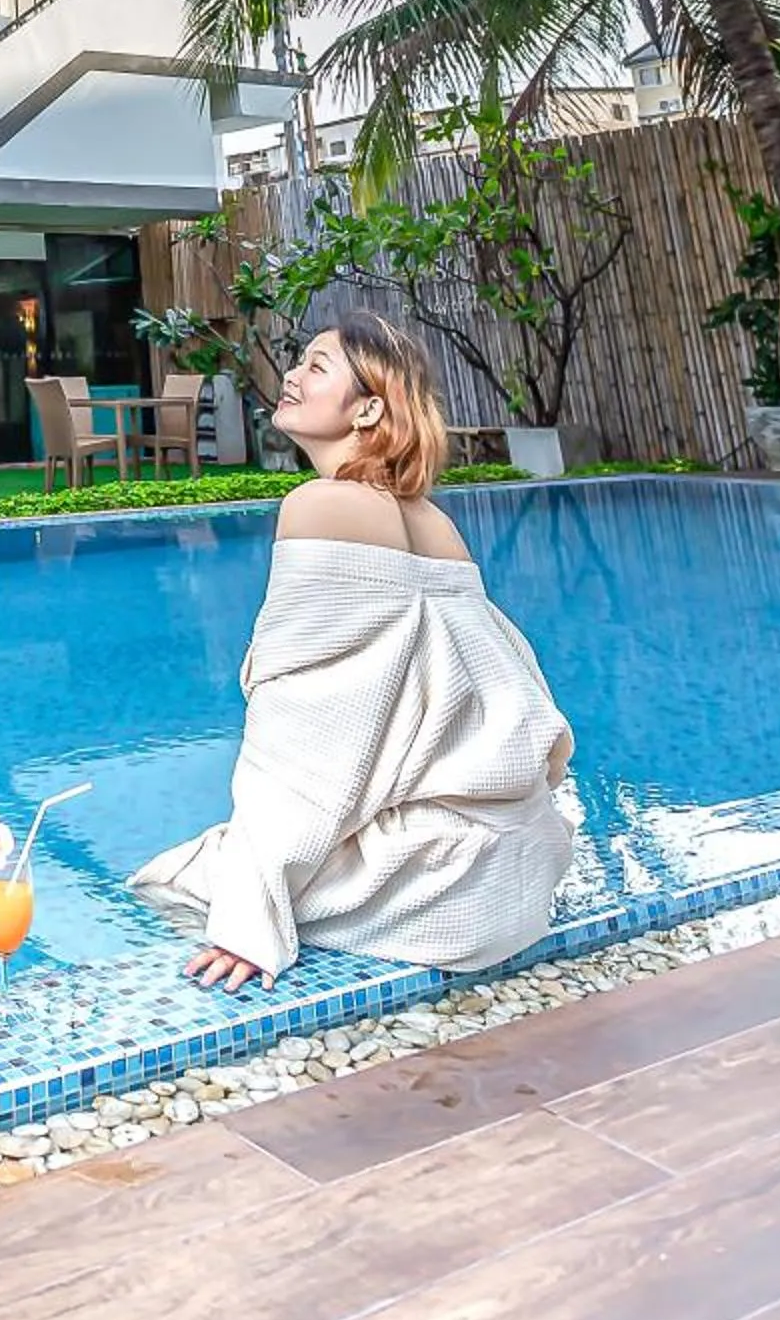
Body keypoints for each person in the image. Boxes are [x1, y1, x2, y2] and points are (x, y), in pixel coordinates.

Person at [131, 312, 574, 992]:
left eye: (317, 366)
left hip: (440, 894)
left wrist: (251, 916)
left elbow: (304, 736)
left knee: (178, 879)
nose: (293, 376)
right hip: (513, 869)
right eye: (299, 360)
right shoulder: (432, 518)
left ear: (368, 407)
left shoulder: (323, 504)